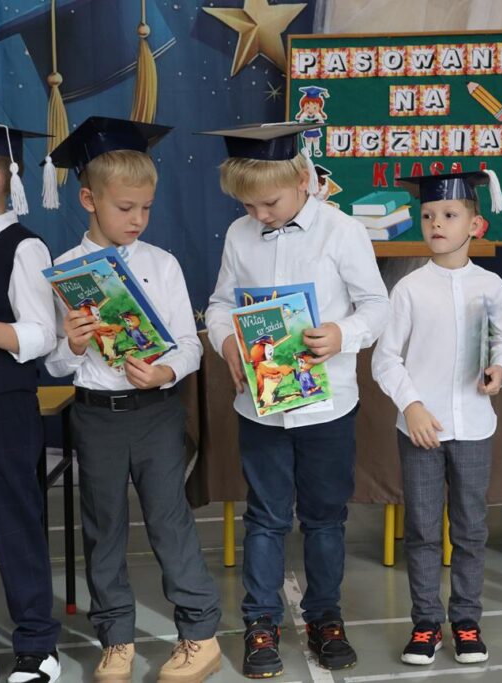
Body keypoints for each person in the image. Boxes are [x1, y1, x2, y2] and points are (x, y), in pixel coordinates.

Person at [202, 122, 389, 677]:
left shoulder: (342, 231)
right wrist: (226, 340)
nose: (259, 215)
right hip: (260, 406)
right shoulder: (239, 235)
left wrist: (342, 334)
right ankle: (260, 623)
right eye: (248, 206)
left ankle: (325, 618)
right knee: (264, 517)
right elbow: (219, 304)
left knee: (325, 518)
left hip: (328, 407)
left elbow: (376, 306)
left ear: (303, 180)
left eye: (270, 203)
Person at [45, 116, 222, 683]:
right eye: (125, 208)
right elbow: (54, 365)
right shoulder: (65, 271)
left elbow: (190, 347)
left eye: (146, 207)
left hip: (156, 415)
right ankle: (116, 639)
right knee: (103, 528)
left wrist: (164, 370)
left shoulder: (161, 264)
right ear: (89, 200)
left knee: (170, 523)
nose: (138, 220)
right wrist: (72, 346)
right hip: (95, 416)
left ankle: (200, 635)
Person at [372, 170, 502, 666]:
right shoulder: (409, 289)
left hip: (474, 426)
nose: (437, 223)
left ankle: (467, 622)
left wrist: (500, 368)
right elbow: (385, 359)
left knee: (471, 528)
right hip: (422, 430)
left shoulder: (491, 286)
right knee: (422, 530)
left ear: (475, 225)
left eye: (450, 215)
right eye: (429, 215)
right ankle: (426, 624)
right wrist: (411, 405)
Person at [0, 122, 61, 683]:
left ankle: (37, 644)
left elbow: (40, 335)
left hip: (1, 407)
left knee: (14, 522)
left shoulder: (24, 247)